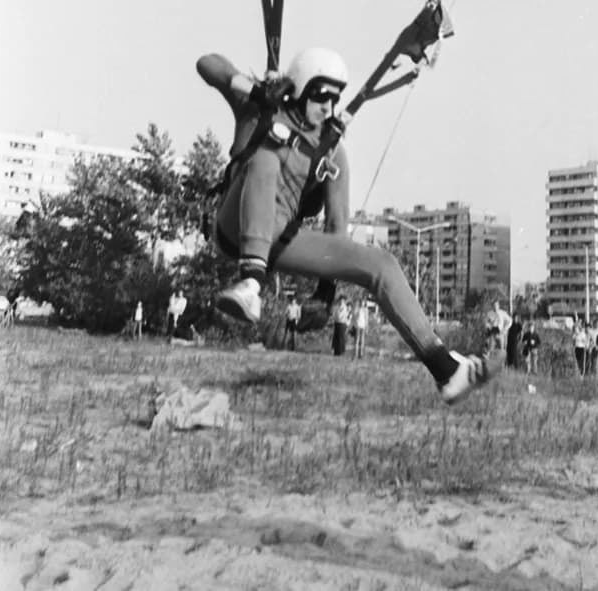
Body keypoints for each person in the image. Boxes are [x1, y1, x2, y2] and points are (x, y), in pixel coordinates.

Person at [197, 46, 498, 405]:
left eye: (335, 99)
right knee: (267, 153)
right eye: (320, 96)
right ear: (300, 89)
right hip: (236, 224)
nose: (328, 108)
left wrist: (325, 293)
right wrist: (255, 90)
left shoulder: (331, 151)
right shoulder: (261, 109)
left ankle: (445, 369)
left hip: (278, 238)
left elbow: (337, 225)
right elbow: (207, 64)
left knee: (381, 264)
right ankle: (250, 283)